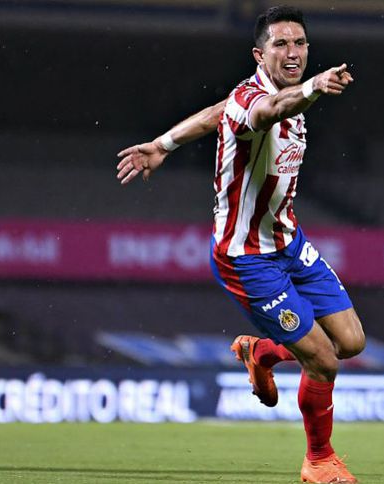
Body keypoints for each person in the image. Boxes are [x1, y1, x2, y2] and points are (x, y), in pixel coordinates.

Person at [115, 6, 364, 483]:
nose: (293, 53)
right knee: (322, 360)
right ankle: (318, 461)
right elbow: (267, 111)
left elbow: (217, 113)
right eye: (280, 44)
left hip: (288, 242)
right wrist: (313, 87)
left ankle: (262, 353)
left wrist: (163, 144)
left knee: (351, 342)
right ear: (259, 54)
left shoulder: (256, 98)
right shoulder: (261, 100)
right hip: (247, 259)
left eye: (300, 43)